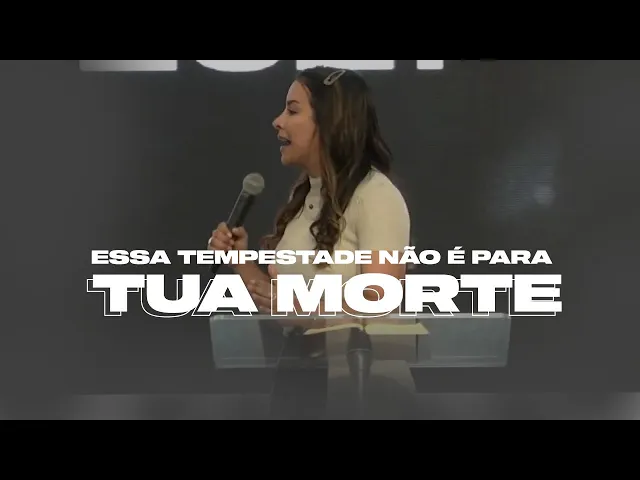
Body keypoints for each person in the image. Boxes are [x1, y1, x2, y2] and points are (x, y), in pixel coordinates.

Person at [208, 66, 411, 318]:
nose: (277, 121)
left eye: (292, 111)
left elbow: (382, 303)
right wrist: (239, 260)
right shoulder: (305, 195)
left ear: (330, 122)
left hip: (356, 347)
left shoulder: (376, 195)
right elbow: (282, 306)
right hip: (299, 347)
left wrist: (296, 307)